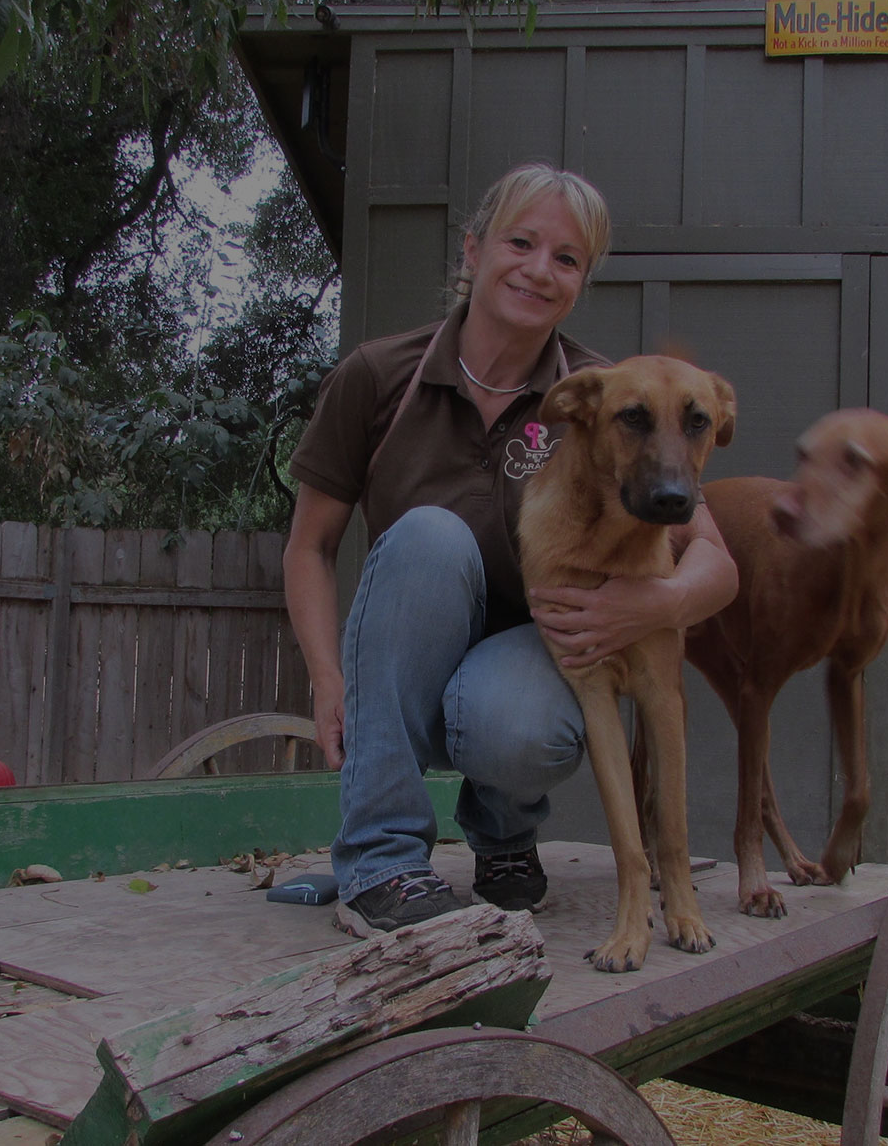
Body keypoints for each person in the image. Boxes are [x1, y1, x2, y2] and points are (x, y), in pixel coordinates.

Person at [283, 163, 740, 936]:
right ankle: (382, 860)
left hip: (529, 670)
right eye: (520, 242)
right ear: (472, 251)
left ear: (581, 280)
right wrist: (327, 676)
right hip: (401, 676)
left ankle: (502, 839)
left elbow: (715, 559)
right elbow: (309, 546)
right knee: (429, 534)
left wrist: (655, 601)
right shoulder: (379, 376)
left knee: (528, 711)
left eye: (566, 258)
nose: (538, 269)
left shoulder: (607, 395)